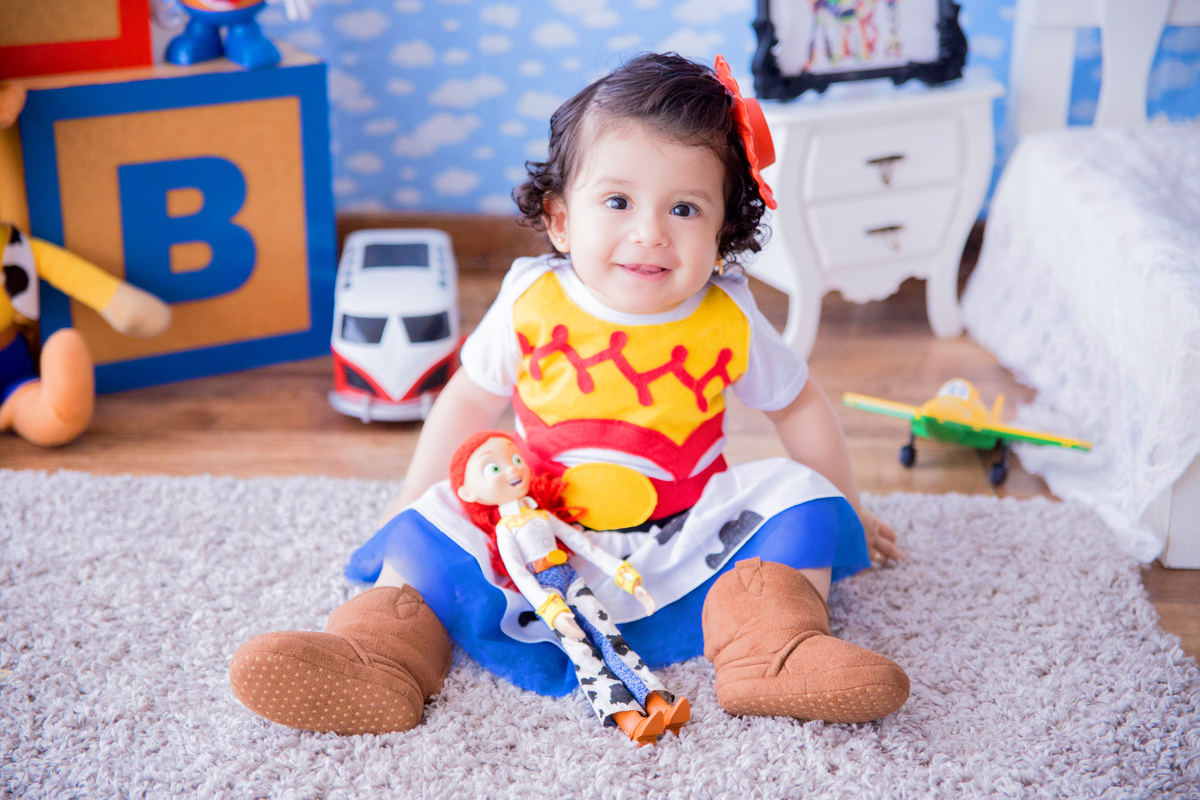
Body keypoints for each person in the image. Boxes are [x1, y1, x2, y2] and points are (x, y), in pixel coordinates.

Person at [230, 52, 909, 737]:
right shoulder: (534, 298)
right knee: (427, 531)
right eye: (618, 201)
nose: (650, 231)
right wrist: (408, 497)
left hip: (688, 530)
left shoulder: (727, 315)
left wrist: (847, 505)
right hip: (535, 527)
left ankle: (772, 648)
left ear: (723, 230)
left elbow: (797, 405)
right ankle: (379, 656)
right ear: (560, 219)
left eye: (684, 207)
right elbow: (469, 401)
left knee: (801, 501)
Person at [450, 430, 690, 745]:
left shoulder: (540, 513)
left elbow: (581, 543)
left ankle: (657, 701)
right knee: (583, 652)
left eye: (515, 459)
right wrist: (550, 610)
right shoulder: (505, 529)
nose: (512, 470)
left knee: (610, 636)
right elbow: (519, 574)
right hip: (546, 590)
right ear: (469, 493)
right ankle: (627, 718)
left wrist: (623, 573)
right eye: (493, 468)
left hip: (570, 577)